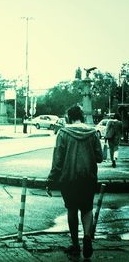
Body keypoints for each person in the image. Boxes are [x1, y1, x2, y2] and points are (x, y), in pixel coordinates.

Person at [46, 105, 103, 259]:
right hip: (88, 178)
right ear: (82, 117)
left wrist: (51, 180)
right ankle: (87, 236)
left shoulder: (63, 133)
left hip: (69, 179)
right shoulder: (92, 133)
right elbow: (100, 157)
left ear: (69, 118)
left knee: (72, 209)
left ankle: (75, 245)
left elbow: (57, 161)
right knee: (87, 209)